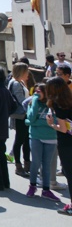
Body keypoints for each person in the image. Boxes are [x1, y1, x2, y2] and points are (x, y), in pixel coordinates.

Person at [25, 82, 61, 200]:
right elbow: (30, 118)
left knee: (46, 164)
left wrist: (35, 123)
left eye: (38, 91)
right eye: (34, 91)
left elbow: (54, 122)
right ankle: (32, 186)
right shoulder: (32, 103)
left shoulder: (53, 104)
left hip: (51, 138)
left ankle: (46, 189)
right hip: (36, 137)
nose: (36, 93)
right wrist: (35, 100)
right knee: (35, 162)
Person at [44, 77, 72, 215]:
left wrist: (51, 124)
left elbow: (63, 128)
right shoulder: (70, 100)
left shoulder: (58, 105)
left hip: (67, 144)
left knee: (70, 174)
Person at [8, 62, 31, 177]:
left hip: (24, 115)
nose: (28, 74)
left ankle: (27, 163)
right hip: (20, 115)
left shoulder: (20, 82)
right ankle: (18, 165)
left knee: (26, 140)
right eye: (26, 71)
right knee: (20, 140)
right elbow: (22, 101)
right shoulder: (16, 83)